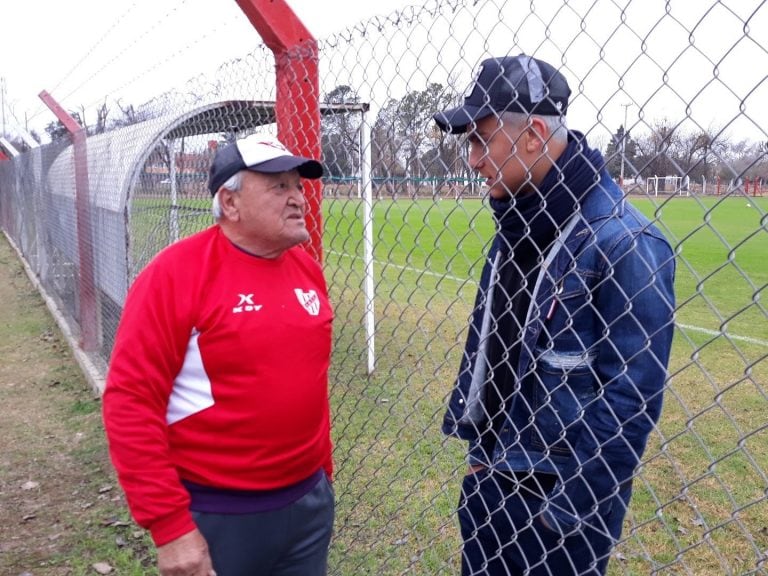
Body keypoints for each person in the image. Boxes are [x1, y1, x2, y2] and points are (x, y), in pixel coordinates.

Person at [433, 54, 676, 575]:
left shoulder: (624, 241)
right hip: (493, 482)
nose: (472, 159)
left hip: (559, 511)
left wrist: (566, 512)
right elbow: (493, 350)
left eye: (480, 140)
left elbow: (630, 401)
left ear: (533, 133)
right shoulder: (517, 225)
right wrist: (481, 460)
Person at [102, 133, 335, 576]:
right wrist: (171, 528)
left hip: (308, 504)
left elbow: (308, 381)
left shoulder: (306, 268)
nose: (297, 199)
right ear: (230, 203)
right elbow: (130, 402)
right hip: (218, 514)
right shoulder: (173, 276)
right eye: (278, 186)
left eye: (297, 185)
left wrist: (321, 473)